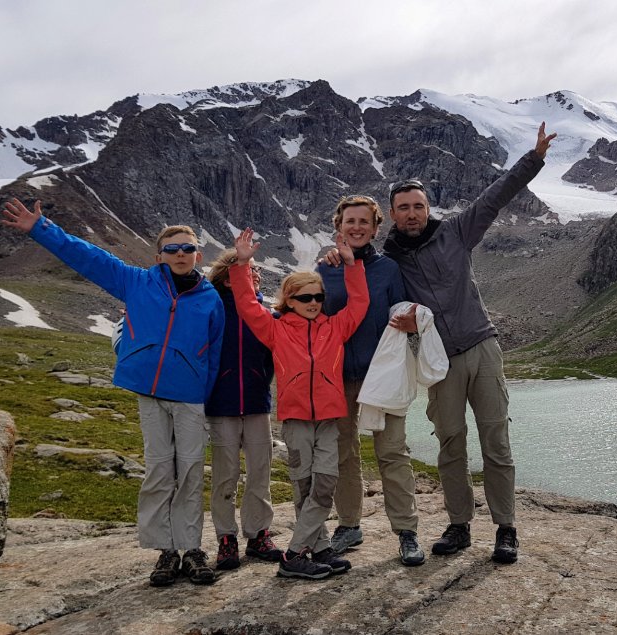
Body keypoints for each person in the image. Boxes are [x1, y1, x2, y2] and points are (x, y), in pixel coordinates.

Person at [0, 198, 224, 586]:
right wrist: (41, 228)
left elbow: (215, 350)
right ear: (160, 256)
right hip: (150, 391)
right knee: (159, 468)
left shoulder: (210, 299)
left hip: (189, 396)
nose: (181, 254)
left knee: (188, 470)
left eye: (188, 248)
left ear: (199, 254)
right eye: (172, 249)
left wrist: (206, 394)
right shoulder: (136, 281)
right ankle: (166, 551)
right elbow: (88, 257)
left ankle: (193, 550)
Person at [383, 123, 555, 564]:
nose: (412, 214)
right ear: (392, 214)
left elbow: (497, 195)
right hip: (439, 362)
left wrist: (533, 158)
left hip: (481, 347)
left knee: (496, 441)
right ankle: (459, 524)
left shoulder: (456, 231)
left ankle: (506, 528)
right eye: (403, 208)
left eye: (418, 206)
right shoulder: (388, 261)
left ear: (428, 208)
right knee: (451, 443)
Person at [229, 228, 368, 579]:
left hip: (329, 420)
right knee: (305, 487)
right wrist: (242, 264)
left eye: (318, 297)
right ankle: (315, 548)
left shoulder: (335, 328)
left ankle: (296, 554)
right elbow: (246, 304)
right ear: (289, 299)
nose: (313, 302)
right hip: (296, 421)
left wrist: (352, 265)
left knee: (324, 484)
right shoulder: (275, 329)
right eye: (305, 297)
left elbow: (360, 304)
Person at [316, 195, 425, 566]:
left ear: (376, 228)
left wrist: (412, 325)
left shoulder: (388, 269)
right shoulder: (325, 270)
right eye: (350, 221)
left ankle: (406, 531)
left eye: (365, 222)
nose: (357, 227)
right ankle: (350, 525)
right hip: (339, 376)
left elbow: (400, 313)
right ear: (339, 226)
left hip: (383, 375)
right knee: (344, 453)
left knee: (392, 451)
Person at [204, 249, 283, 569]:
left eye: (257, 272)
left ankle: (258, 534)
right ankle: (226, 538)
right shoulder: (212, 309)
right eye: (250, 271)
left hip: (255, 403)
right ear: (227, 276)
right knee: (226, 475)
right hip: (221, 405)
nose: (256, 276)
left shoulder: (265, 313)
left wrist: (261, 381)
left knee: (260, 472)